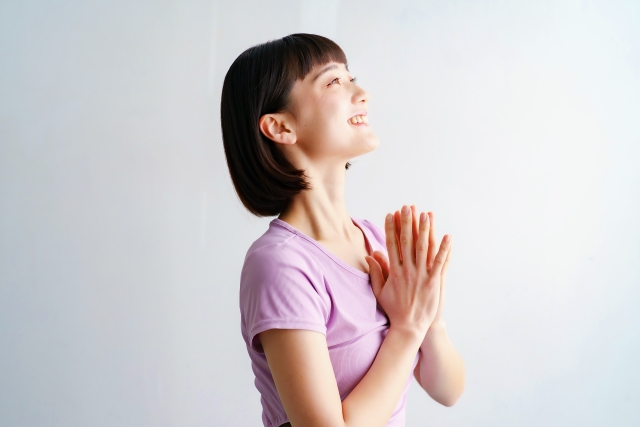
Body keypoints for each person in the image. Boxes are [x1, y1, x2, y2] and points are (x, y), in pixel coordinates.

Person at [220, 33, 465, 427]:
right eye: (334, 81)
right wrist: (406, 328)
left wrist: (429, 318)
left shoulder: (378, 242)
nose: (362, 94)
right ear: (280, 127)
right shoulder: (280, 264)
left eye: (352, 78)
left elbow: (448, 391)